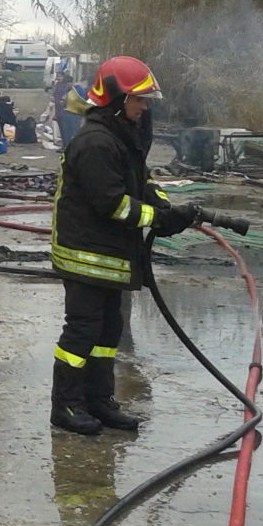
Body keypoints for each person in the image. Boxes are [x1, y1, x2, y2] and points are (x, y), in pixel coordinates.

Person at [46, 55, 194, 435]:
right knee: (82, 331)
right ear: (116, 99)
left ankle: (98, 399)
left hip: (107, 254)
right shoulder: (95, 143)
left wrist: (163, 204)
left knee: (108, 331)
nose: (144, 108)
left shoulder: (118, 136)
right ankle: (65, 404)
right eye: (139, 100)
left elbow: (140, 182)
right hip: (85, 254)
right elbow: (114, 204)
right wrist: (157, 219)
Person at [51, 71, 82, 145]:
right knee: (65, 131)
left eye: (68, 83)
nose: (67, 85)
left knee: (73, 131)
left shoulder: (78, 89)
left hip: (74, 114)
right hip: (64, 113)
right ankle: (65, 146)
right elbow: (62, 99)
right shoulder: (62, 87)